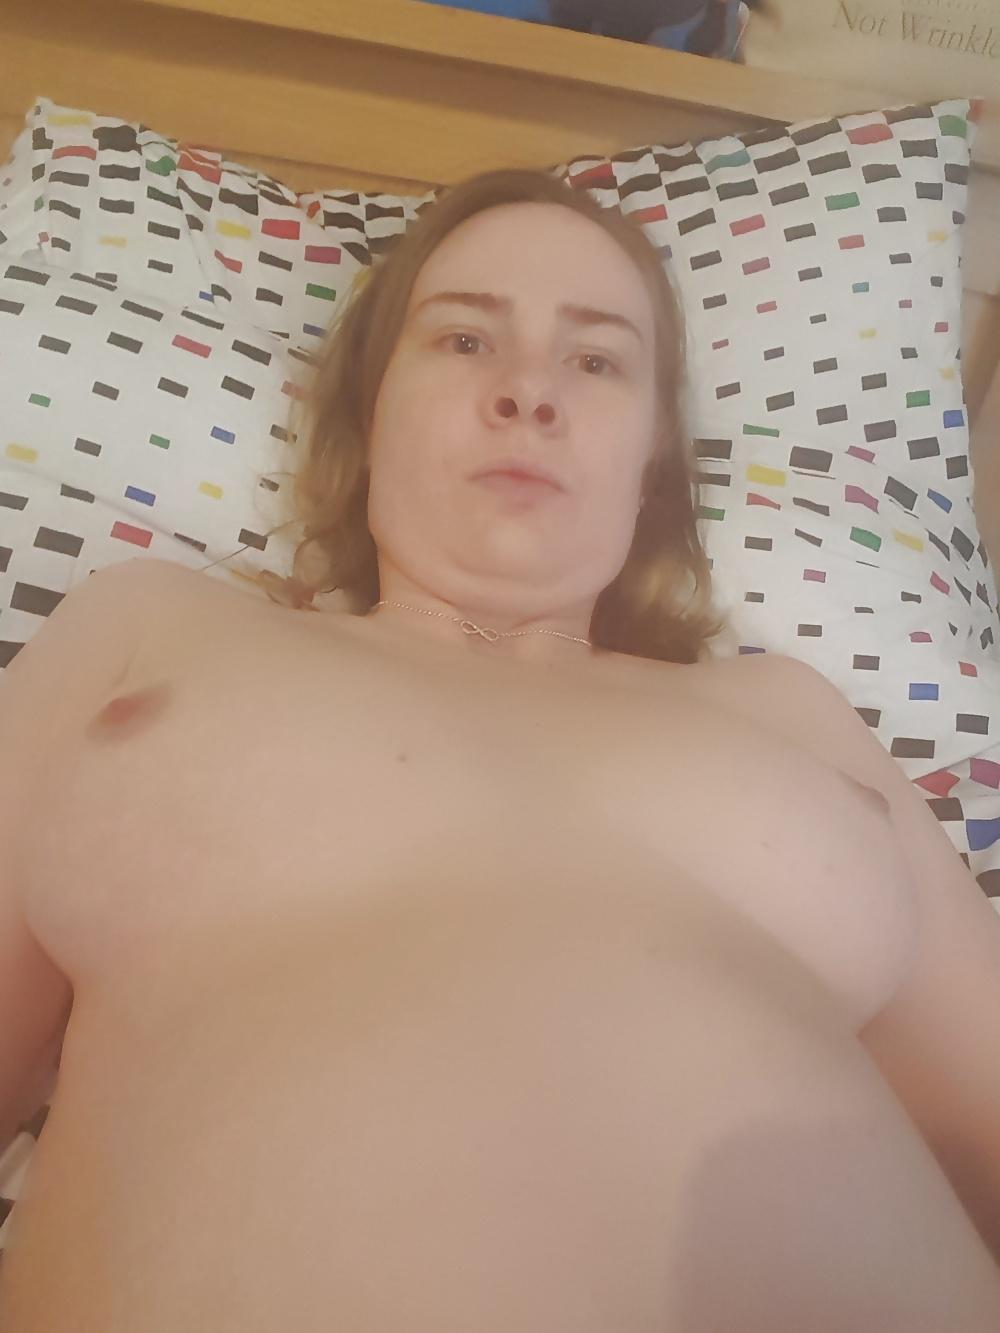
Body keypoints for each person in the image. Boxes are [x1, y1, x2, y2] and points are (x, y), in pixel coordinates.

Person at [0, 167, 998, 1330]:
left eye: (597, 359)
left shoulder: (790, 712)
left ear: (653, 458)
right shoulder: (150, 629)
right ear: (370, 410)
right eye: (465, 338)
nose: (528, 391)